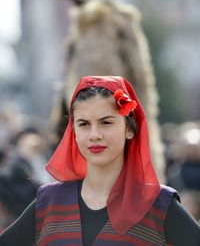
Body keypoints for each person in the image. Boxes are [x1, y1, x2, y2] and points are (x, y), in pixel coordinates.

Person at [0, 75, 200, 246]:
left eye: (106, 123)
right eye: (84, 124)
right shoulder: (49, 201)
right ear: (74, 132)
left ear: (129, 129)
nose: (94, 134)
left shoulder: (159, 204)